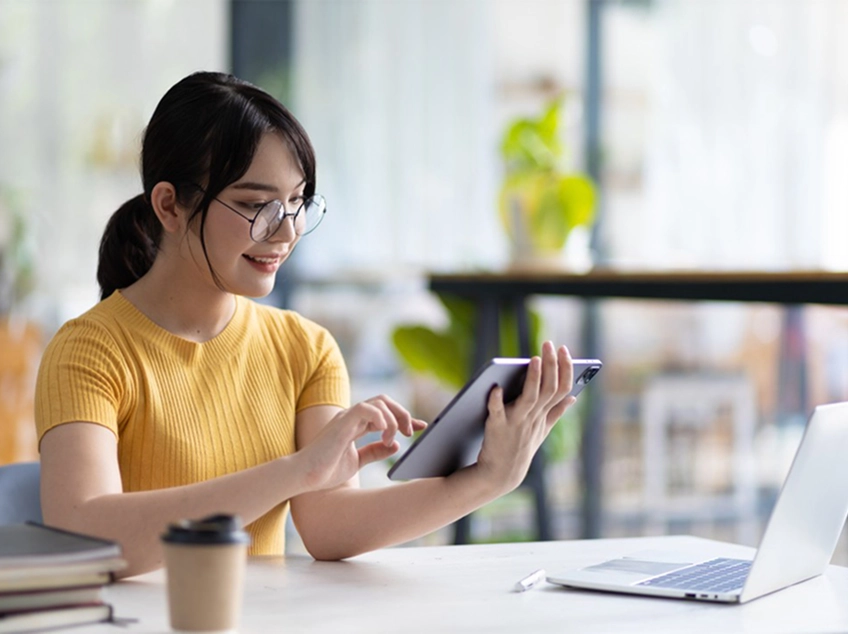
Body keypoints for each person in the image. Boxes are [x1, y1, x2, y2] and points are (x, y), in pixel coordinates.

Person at [34, 71, 576, 578]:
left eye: (297, 203)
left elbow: (330, 526)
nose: (286, 232)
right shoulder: (89, 350)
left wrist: (488, 478)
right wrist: (297, 469)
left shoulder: (305, 347)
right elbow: (84, 533)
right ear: (170, 206)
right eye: (257, 205)